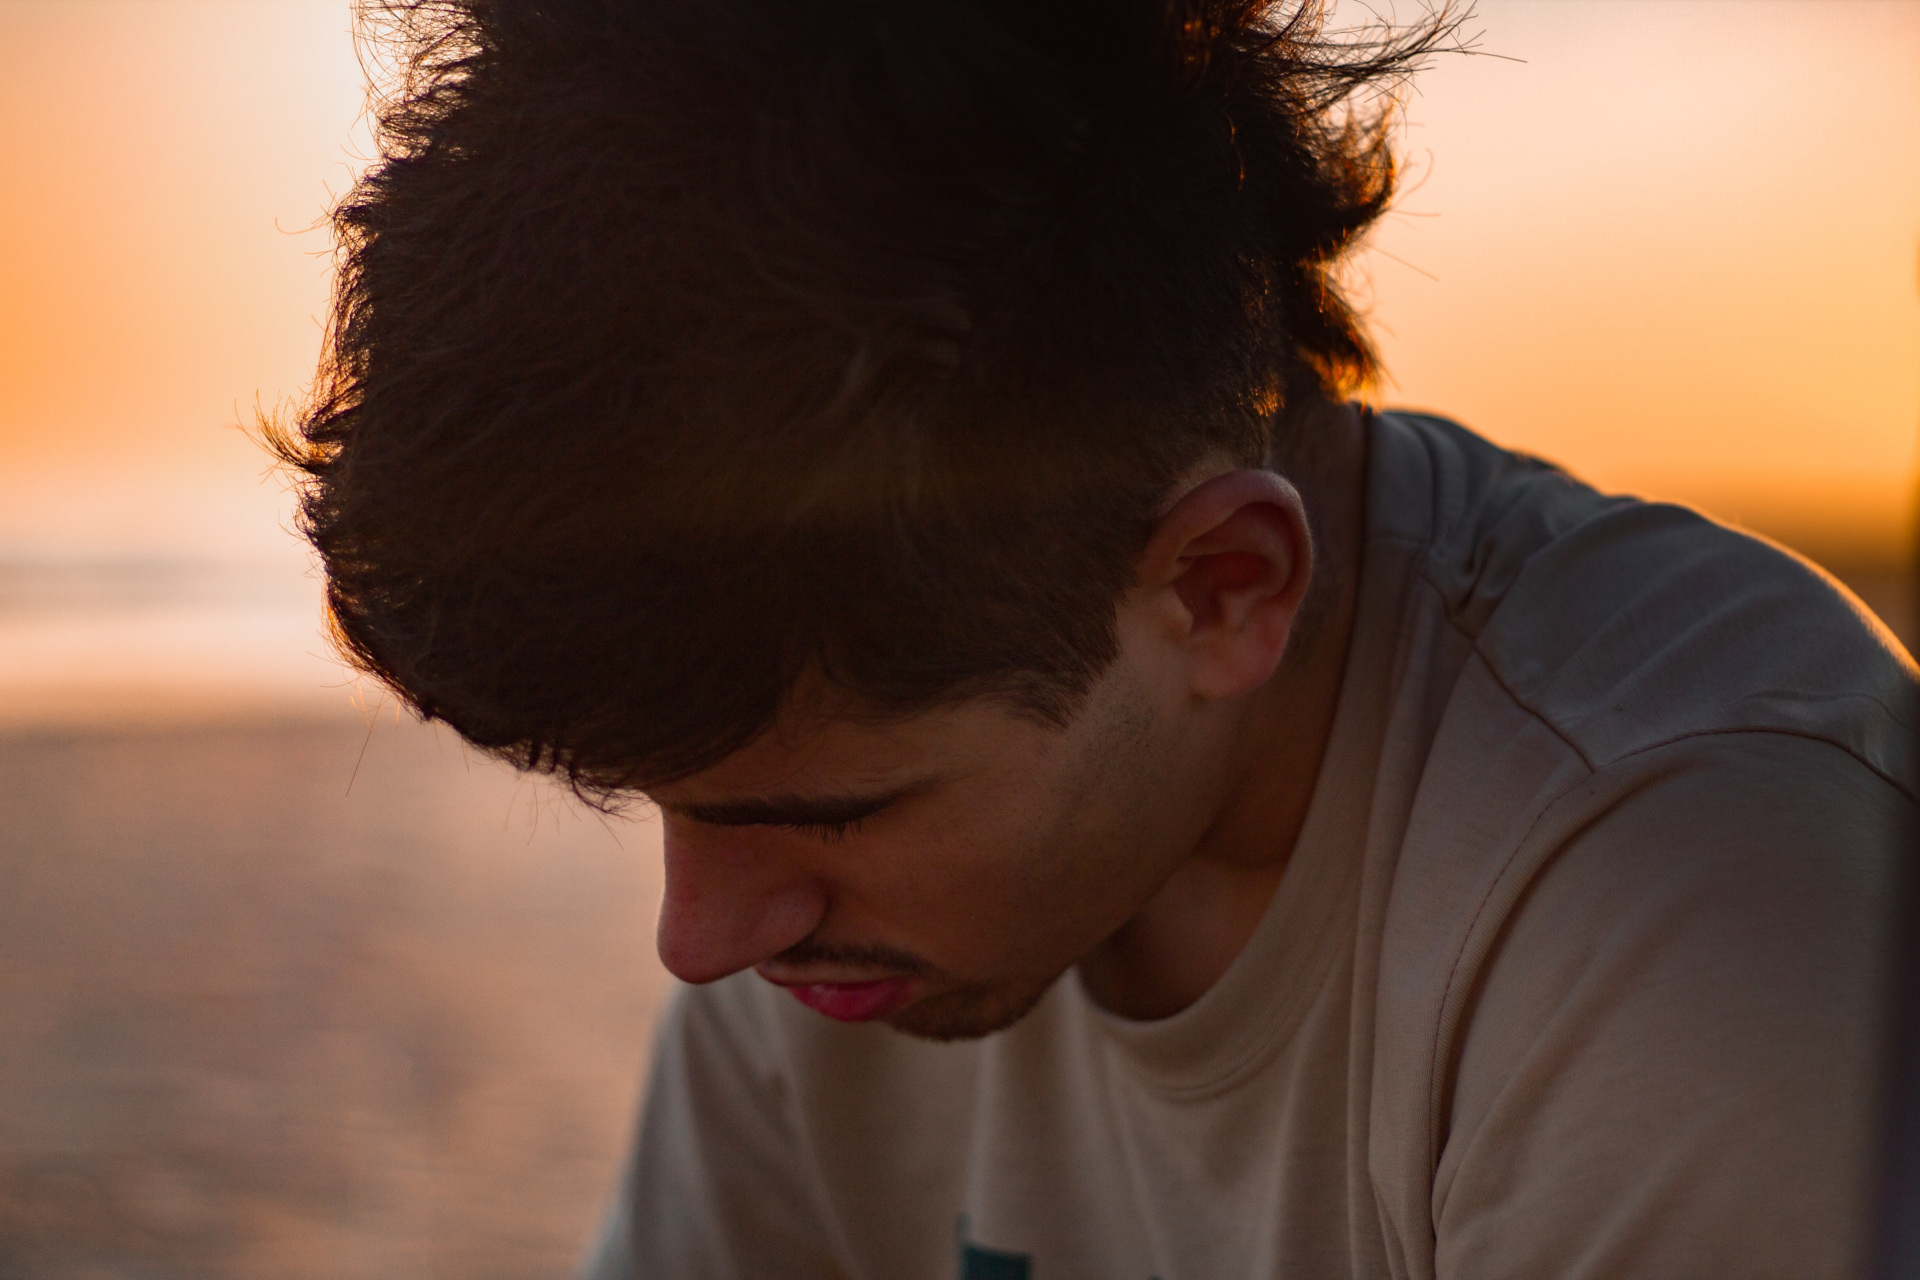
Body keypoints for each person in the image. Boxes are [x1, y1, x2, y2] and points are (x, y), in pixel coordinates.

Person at [269, 0, 1917, 1275]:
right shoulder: (840, 930)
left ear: (1222, 588)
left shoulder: (1695, 892)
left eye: (830, 813)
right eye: (668, 807)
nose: (701, 942)